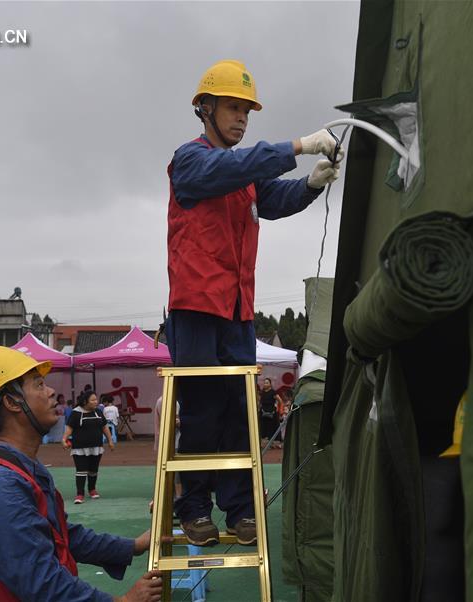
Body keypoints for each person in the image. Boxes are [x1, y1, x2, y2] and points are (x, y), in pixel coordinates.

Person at [164, 59, 343, 547]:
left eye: (246, 111)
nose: (241, 119)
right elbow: (239, 166)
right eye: (232, 108)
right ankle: (195, 508)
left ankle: (240, 509)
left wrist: (310, 183)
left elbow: (271, 197)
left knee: (239, 412)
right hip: (197, 308)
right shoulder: (190, 161)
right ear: (205, 109)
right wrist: (300, 146)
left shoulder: (239, 173)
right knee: (202, 411)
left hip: (238, 310)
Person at [0, 346, 163, 601]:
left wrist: (133, 546)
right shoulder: (0, 483)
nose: (52, 391)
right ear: (11, 402)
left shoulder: (23, 469)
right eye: (39, 385)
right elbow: (39, 581)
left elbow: (63, 535)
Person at [64, 389, 115, 503]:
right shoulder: (76, 413)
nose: (96, 401)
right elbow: (69, 428)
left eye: (96, 399)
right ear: (85, 401)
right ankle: (80, 494)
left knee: (93, 470)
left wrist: (110, 440)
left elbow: (104, 427)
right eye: (93, 400)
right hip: (79, 448)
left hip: (96, 446)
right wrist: (64, 439)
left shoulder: (98, 412)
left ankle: (92, 490)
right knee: (81, 470)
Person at [258, 378, 282, 449]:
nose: (265, 384)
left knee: (272, 427)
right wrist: (259, 409)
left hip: (272, 413)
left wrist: (278, 410)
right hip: (263, 413)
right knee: (263, 428)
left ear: (270, 384)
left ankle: (274, 443)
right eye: (264, 383)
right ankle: (265, 443)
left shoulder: (273, 392)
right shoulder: (262, 392)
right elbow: (260, 402)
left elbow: (280, 401)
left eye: (267, 383)